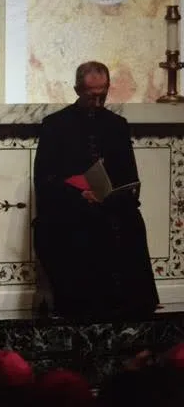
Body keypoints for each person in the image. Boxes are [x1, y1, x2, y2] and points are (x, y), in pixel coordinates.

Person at [33, 61, 159, 318]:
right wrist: (78, 194)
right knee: (78, 225)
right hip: (69, 205)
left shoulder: (117, 125)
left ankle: (132, 306)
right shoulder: (54, 125)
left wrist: (114, 194)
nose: (98, 102)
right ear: (78, 90)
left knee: (131, 221)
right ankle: (83, 305)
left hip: (109, 203)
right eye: (92, 96)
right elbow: (44, 180)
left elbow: (129, 175)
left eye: (103, 94)